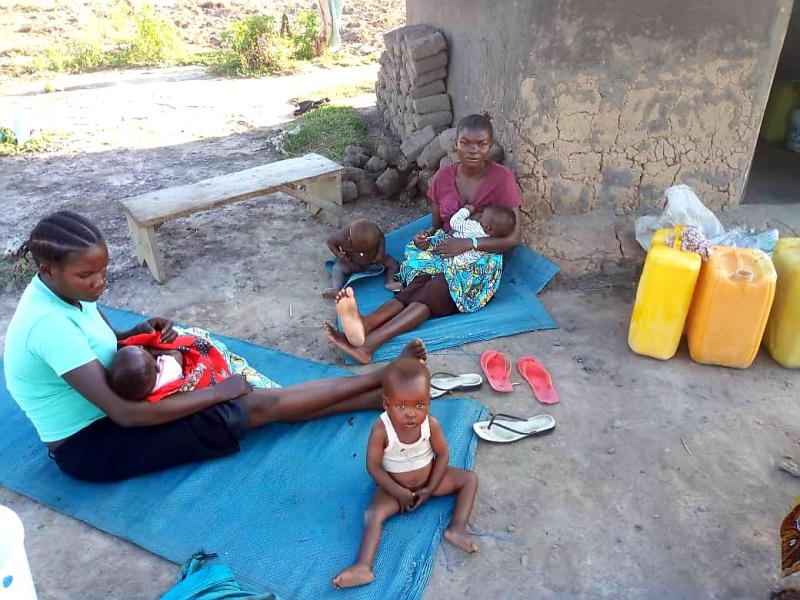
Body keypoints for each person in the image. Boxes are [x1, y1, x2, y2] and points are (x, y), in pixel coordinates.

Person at [3, 210, 427, 483]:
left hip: (114, 406)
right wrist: (215, 393)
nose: (100, 283)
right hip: (95, 443)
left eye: (103, 271)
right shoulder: (46, 325)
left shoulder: (67, 294)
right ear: (48, 269)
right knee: (249, 406)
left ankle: (378, 396)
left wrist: (139, 332)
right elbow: (127, 414)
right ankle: (382, 379)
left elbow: (103, 342)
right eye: (88, 276)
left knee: (239, 389)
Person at [324, 113, 522, 364]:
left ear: (490, 146)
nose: (473, 150)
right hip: (447, 251)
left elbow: (514, 237)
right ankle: (365, 323)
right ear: (455, 144)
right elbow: (437, 226)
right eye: (466, 143)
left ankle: (370, 344)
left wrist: (468, 244)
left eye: (481, 144)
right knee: (422, 280)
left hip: (480, 262)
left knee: (439, 287)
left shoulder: (502, 178)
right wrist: (426, 237)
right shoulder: (442, 178)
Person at [332, 358, 478, 589]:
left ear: (429, 401)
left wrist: (430, 488)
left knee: (469, 479)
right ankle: (363, 566)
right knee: (373, 514)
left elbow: (442, 456)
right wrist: (398, 492)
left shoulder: (431, 424)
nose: (411, 414)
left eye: (419, 405)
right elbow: (374, 467)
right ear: (386, 404)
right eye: (401, 406)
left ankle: (456, 528)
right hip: (394, 488)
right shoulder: (381, 430)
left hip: (430, 480)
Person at [324, 218, 401, 299]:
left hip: (375, 261)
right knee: (337, 268)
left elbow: (381, 237)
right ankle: (336, 288)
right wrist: (339, 255)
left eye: (369, 249)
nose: (363, 253)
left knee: (393, 263)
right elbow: (330, 242)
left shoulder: (375, 232)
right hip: (353, 262)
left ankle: (390, 281)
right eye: (359, 250)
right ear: (350, 240)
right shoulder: (341, 237)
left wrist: (380, 253)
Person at [441, 203, 517, 267]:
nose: (479, 215)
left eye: (482, 216)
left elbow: (454, 223)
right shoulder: (490, 244)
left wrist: (466, 211)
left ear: (487, 226)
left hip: (449, 255)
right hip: (461, 266)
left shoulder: (474, 227)